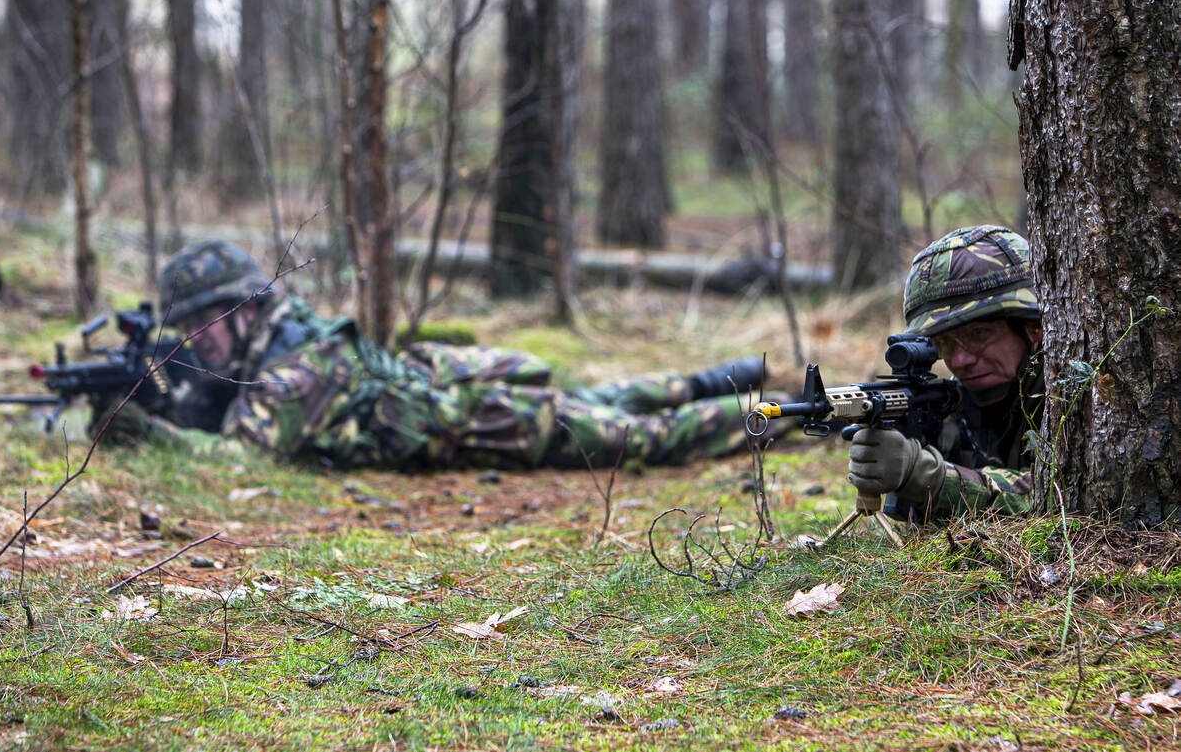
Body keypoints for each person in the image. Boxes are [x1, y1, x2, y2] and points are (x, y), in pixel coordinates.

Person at [133, 239, 788, 471]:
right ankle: (720, 378)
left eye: (202, 322)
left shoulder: (294, 371)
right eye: (185, 326)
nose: (195, 339)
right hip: (462, 387)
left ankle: (789, 411)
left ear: (245, 309)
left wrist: (150, 433)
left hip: (483, 417)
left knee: (641, 439)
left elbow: (243, 454)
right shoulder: (285, 335)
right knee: (604, 398)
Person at [847, 225, 1044, 521]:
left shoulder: (1073, 390)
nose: (960, 359)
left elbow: (1060, 495)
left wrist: (930, 477)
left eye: (979, 333)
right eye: (944, 342)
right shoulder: (948, 405)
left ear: (1033, 327)